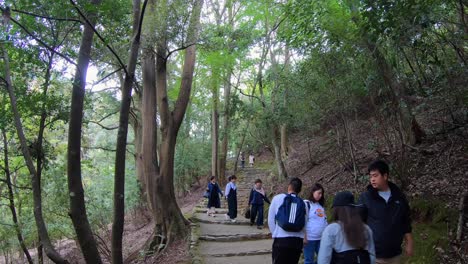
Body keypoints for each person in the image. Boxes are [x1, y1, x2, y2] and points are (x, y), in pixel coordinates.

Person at [358, 160, 413, 264]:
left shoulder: (399, 197)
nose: (372, 179)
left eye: (375, 176)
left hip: (395, 254)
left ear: (385, 176)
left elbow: (405, 221)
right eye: (371, 176)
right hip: (374, 255)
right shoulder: (366, 198)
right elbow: (358, 222)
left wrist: (409, 242)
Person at [318, 191, 375, 264]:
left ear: (336, 210)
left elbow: (323, 260)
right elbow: (372, 257)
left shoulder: (331, 230)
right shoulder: (366, 229)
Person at [268, 177, 307, 264]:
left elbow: (271, 220)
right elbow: (305, 222)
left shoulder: (277, 198)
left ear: (289, 186)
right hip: (297, 241)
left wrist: (275, 233)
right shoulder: (303, 203)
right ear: (300, 190)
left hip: (281, 240)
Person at [303, 183, 328, 264]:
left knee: (323, 259)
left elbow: (324, 221)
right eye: (319, 193)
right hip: (310, 239)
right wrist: (304, 237)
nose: (320, 195)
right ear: (313, 192)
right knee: (309, 260)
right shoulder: (307, 204)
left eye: (322, 193)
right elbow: (303, 221)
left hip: (321, 239)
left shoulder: (320, 206)